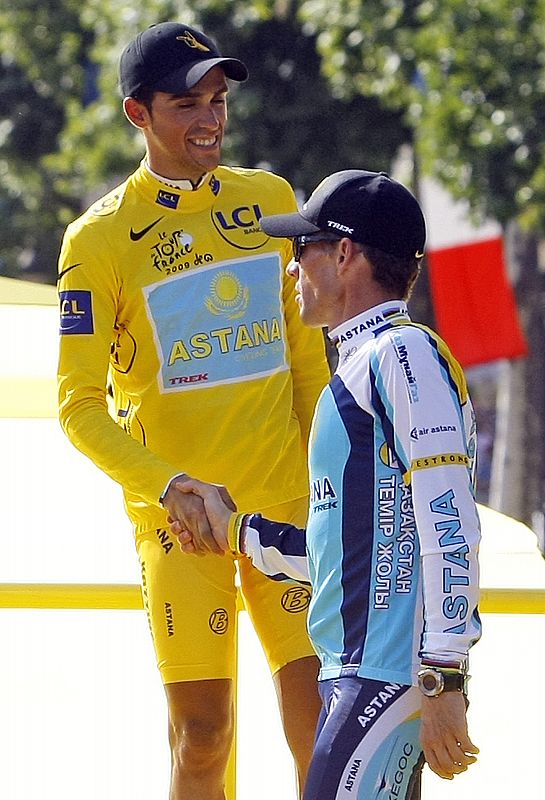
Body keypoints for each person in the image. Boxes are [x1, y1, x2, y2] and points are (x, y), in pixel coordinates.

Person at [57, 21, 330, 800]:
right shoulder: (97, 240)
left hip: (284, 502)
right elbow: (77, 409)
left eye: (217, 100)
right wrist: (171, 485)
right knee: (204, 738)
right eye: (187, 104)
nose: (210, 119)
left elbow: (305, 357)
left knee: (318, 722)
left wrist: (324, 482)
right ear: (137, 115)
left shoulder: (269, 200)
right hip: (182, 521)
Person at [171, 170, 482, 799]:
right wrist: (235, 531)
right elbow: (339, 554)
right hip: (362, 676)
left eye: (300, 249)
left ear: (344, 255)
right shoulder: (366, 361)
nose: (291, 270)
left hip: (384, 681)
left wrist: (443, 678)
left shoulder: (400, 355)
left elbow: (450, 521)